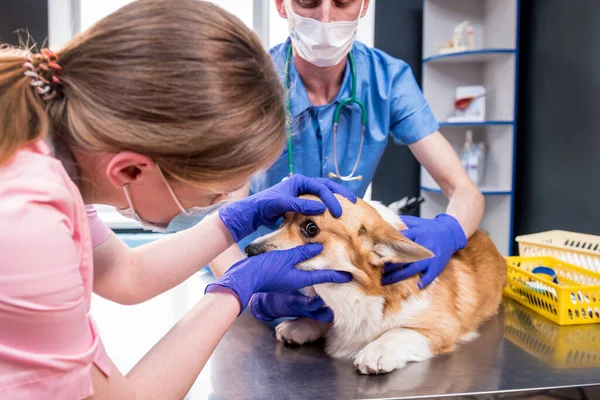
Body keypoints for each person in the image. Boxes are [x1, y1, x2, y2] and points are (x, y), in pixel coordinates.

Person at [0, 1, 355, 398]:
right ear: (131, 170)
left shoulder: (52, 151)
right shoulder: (27, 221)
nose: (221, 199)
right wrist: (237, 287)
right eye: (213, 193)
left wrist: (233, 221)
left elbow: (125, 274)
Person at [207, 0, 485, 323]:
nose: (326, 18)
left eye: (342, 2)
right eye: (308, 1)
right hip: (243, 270)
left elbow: (467, 193)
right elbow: (219, 217)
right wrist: (252, 294)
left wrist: (449, 232)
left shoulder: (387, 81)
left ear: (365, 4)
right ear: (282, 5)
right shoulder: (251, 84)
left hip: (334, 289)